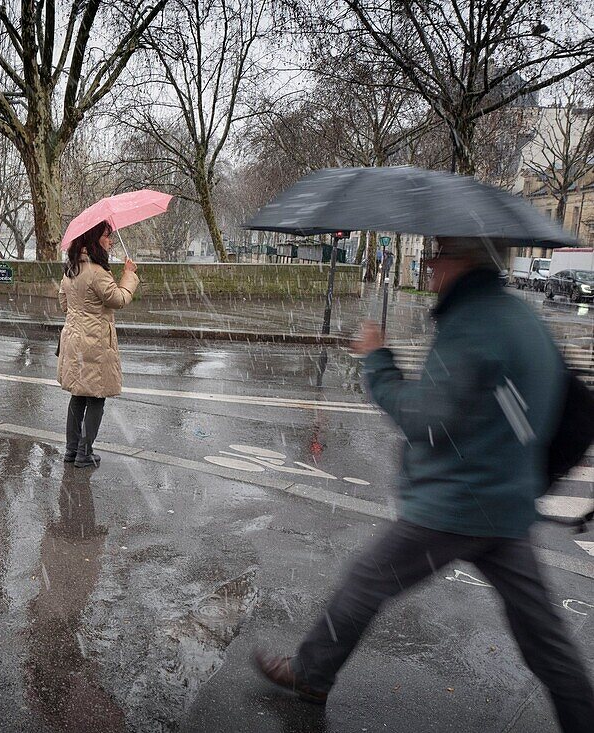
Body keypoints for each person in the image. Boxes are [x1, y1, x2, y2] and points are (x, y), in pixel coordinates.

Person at [253, 236, 594, 733]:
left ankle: (310, 674)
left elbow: (426, 419)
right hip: (506, 503)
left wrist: (377, 360)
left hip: (454, 504)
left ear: (464, 259)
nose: (430, 264)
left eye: (439, 253)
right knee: (543, 633)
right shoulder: (520, 317)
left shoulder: (473, 325)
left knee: (364, 581)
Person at [56, 221, 138, 468]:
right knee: (97, 397)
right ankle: (85, 451)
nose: (110, 241)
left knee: (78, 395)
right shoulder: (97, 272)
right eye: (106, 236)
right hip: (94, 343)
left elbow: (64, 303)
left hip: (73, 340)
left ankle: (72, 450)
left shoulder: (71, 269)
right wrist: (129, 275)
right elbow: (119, 299)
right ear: (94, 239)